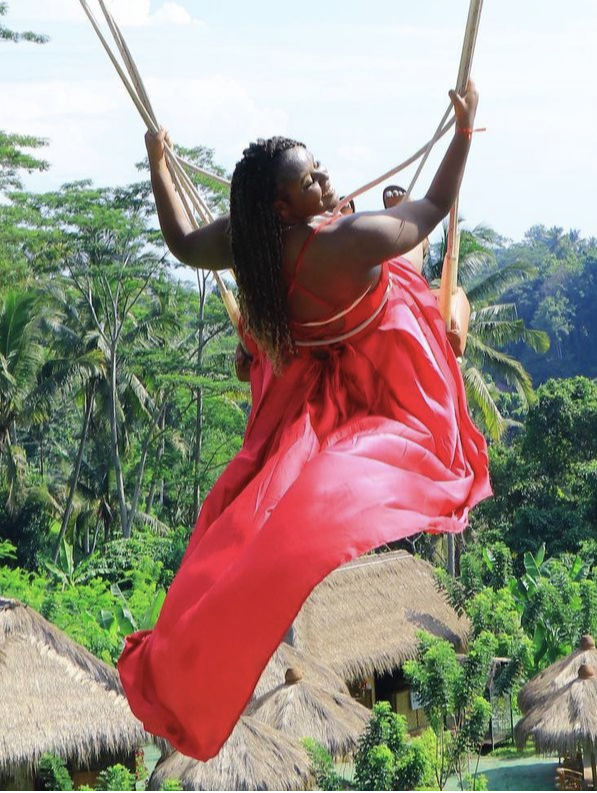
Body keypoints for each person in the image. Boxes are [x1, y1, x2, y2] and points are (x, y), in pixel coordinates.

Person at [118, 82, 491, 760]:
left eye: (320, 170)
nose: (326, 179)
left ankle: (260, 346)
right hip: (381, 351)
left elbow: (179, 242)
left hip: (309, 366)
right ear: (282, 204)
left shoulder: (247, 243)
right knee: (427, 281)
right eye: (311, 179)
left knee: (261, 485)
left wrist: (157, 164)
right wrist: (463, 135)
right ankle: (452, 323)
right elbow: (432, 208)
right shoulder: (344, 240)